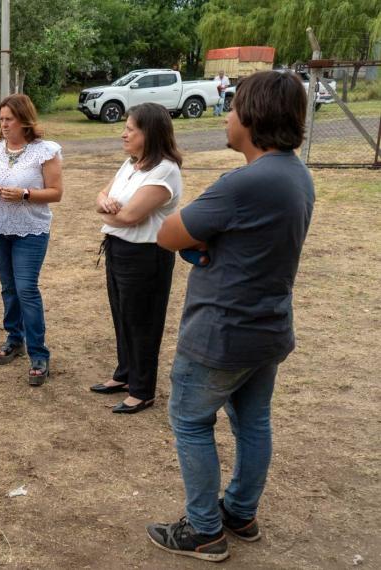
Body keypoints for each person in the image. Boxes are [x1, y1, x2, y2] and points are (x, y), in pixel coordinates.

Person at [146, 71, 314, 562]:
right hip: (268, 327)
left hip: (221, 332)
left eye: (234, 106)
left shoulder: (243, 182)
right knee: (253, 421)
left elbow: (169, 234)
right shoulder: (296, 173)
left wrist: (203, 242)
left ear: (254, 117)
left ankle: (204, 530)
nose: (227, 114)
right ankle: (240, 512)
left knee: (190, 421)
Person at [89, 103, 182, 413]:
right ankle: (126, 374)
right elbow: (102, 196)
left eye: (130, 129)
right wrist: (105, 204)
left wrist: (109, 212)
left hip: (146, 256)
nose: (123, 133)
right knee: (122, 316)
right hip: (118, 248)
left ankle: (143, 391)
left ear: (150, 133)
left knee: (143, 323)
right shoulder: (132, 164)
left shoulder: (165, 169)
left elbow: (129, 216)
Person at [0, 93, 63, 386]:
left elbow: (56, 193)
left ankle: (39, 353)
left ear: (24, 120)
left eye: (9, 119)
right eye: (1, 119)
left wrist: (25, 194)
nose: (4, 124)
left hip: (31, 231)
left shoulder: (44, 151)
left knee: (26, 288)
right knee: (9, 288)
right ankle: (15, 338)